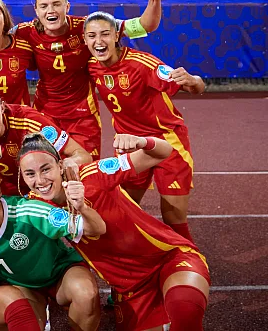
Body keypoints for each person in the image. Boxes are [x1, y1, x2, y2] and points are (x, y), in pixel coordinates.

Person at [18, 133, 210, 331]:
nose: (40, 180)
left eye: (46, 169)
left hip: (167, 258)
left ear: (60, 166)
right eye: (30, 174)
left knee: (185, 310)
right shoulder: (35, 206)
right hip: (130, 288)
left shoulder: (93, 174)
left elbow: (163, 152)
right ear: (22, 177)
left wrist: (143, 141)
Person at [83, 11, 205, 240]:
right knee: (122, 209)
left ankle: (190, 257)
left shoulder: (142, 64)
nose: (98, 41)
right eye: (92, 36)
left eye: (105, 34)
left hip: (167, 142)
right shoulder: (90, 65)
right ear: (85, 40)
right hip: (129, 145)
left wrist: (193, 80)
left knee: (173, 217)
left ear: (116, 36)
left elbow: (196, 87)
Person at [0, 163, 104, 331]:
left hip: (60, 274)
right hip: (23, 287)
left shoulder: (29, 211)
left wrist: (82, 207)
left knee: (86, 295)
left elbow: (95, 228)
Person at [13, 0, 165, 157]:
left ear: (67, 7)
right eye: (44, 6)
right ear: (36, 10)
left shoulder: (89, 28)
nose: (50, 10)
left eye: (56, 4)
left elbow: (145, 26)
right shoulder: (23, 32)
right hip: (45, 116)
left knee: (86, 170)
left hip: (83, 117)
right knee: (47, 169)